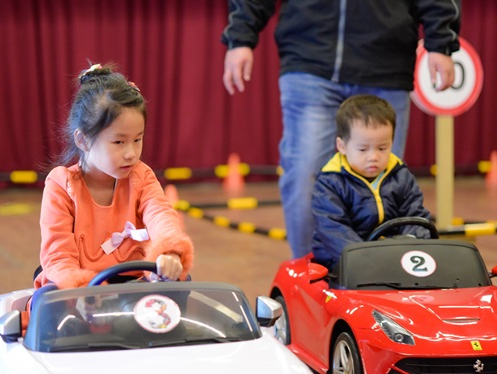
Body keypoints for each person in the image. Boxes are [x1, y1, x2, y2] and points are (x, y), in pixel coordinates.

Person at [220, 0, 460, 259]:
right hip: (310, 59)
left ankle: (377, 272)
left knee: (386, 181)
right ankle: (311, 275)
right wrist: (241, 36)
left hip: (386, 64)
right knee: (304, 178)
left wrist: (441, 42)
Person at [32, 63, 194, 308]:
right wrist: (79, 288)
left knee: (179, 282)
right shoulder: (61, 184)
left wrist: (169, 250)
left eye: (137, 139)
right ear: (83, 140)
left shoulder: (141, 176)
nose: (131, 153)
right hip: (82, 287)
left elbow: (161, 213)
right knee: (50, 302)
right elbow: (58, 254)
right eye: (119, 142)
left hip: (134, 281)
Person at [311, 94, 432, 271]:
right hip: (343, 258)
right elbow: (333, 229)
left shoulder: (400, 175)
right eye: (363, 149)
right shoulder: (330, 182)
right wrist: (363, 257)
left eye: (383, 148)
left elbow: (414, 215)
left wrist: (413, 244)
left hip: (390, 254)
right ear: (342, 146)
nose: (374, 157)